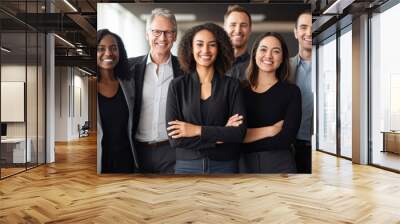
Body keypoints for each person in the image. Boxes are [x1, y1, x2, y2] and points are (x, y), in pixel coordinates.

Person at [166, 23, 246, 174]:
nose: (205, 50)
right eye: (199, 44)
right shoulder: (177, 86)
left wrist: (195, 130)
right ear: (191, 48)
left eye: (212, 45)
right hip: (187, 166)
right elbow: (175, 138)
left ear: (220, 48)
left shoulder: (232, 86)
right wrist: (220, 136)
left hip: (225, 166)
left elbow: (238, 133)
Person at [129, 8, 183, 174]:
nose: (162, 37)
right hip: (136, 151)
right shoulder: (129, 68)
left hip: (172, 152)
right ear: (147, 34)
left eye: (168, 32)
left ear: (174, 36)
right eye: (156, 32)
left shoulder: (185, 70)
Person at [241, 32, 302, 173]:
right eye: (263, 49)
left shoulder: (291, 92)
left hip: (280, 164)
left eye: (276, 51)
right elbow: (232, 135)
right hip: (243, 164)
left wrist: (246, 137)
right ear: (255, 54)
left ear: (282, 58)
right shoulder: (239, 90)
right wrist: (271, 130)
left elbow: (286, 139)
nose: (268, 55)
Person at [97, 29, 138, 173]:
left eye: (113, 48)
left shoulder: (128, 84)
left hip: (128, 161)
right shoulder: (91, 86)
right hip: (100, 163)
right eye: (101, 49)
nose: (108, 53)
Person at [289, 11, 313, 173]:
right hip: (293, 145)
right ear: (296, 32)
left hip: (323, 145)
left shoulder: (334, 63)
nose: (309, 33)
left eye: (313, 27)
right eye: (304, 27)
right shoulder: (284, 68)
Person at [224, 5, 252, 81]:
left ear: (250, 30)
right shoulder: (212, 63)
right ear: (225, 28)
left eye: (243, 25)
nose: (238, 30)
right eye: (233, 25)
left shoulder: (256, 66)